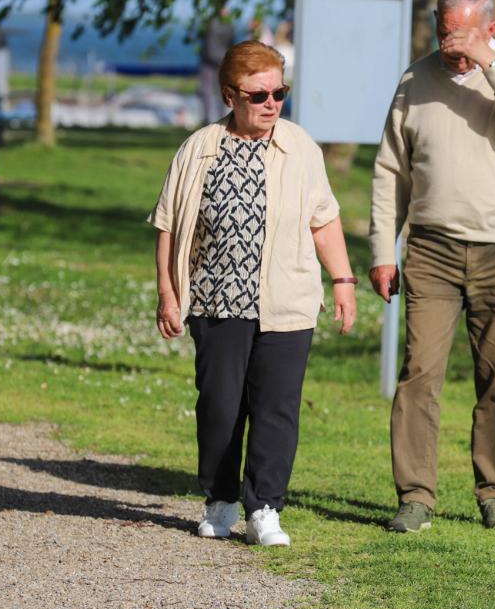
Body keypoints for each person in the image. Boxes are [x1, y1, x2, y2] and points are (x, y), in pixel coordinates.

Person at [148, 40, 357, 547]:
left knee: (276, 409)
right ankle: (220, 500)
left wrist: (344, 281)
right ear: (230, 96)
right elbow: (168, 226)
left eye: (279, 93)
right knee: (220, 407)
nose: (271, 103)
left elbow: (324, 219)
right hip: (216, 300)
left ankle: (265, 508)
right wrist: (168, 294)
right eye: (258, 95)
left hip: (288, 301)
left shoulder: (300, 147)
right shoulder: (199, 148)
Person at [369, 0, 495, 533]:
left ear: (490, 28)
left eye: (465, 33)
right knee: (419, 374)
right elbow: (390, 171)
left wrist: (486, 62)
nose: (452, 43)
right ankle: (415, 497)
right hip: (432, 248)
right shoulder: (414, 80)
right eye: (445, 30)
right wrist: (383, 251)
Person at [198, 7, 234, 124]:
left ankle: (207, 118)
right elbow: (231, 43)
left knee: (208, 91)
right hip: (218, 61)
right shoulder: (228, 26)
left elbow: (202, 37)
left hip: (209, 61)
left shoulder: (209, 23)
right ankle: (219, 118)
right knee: (218, 91)